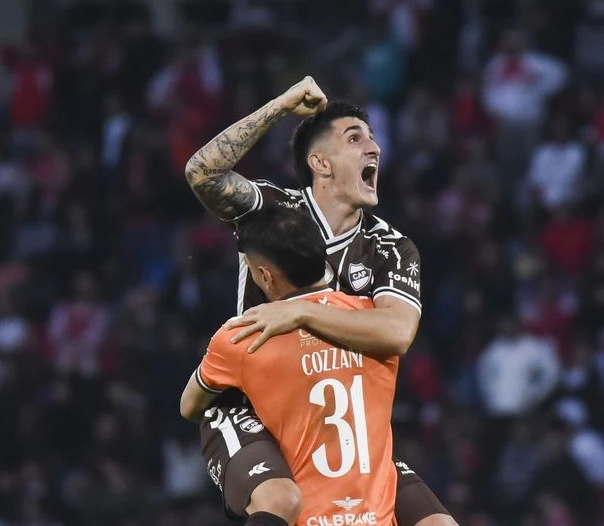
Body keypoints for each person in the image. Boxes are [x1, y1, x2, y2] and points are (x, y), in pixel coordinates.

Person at [184, 76, 455, 526]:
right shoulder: (276, 214)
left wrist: (300, 311)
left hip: (341, 424)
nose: (374, 148)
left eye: (373, 138)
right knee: (280, 500)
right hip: (252, 410)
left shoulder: (391, 248)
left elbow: (397, 332)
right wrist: (280, 105)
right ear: (320, 163)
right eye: (355, 138)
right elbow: (202, 173)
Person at [180, 207, 400, 526]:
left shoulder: (243, 334)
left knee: (218, 411)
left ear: (265, 276)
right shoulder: (375, 322)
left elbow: (190, 406)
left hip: (296, 518)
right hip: (377, 519)